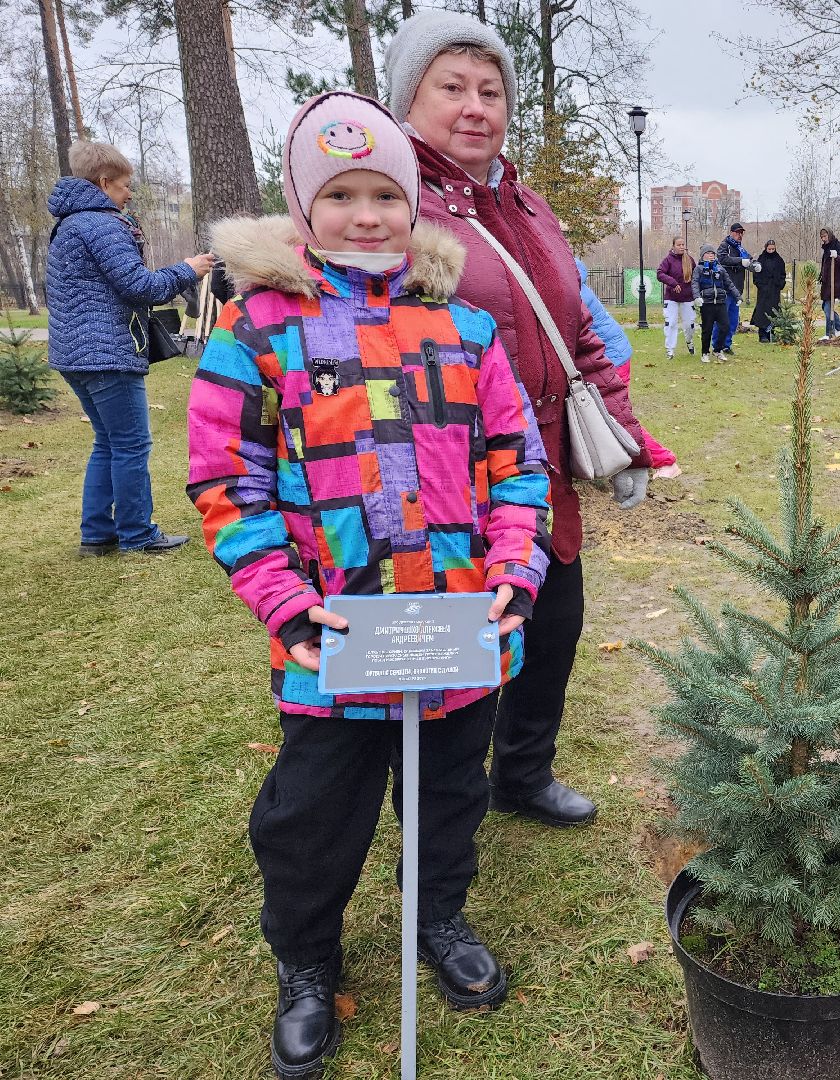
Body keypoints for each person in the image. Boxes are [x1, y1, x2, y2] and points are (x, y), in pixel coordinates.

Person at [186, 90, 550, 1077]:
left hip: (457, 633)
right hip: (331, 644)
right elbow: (228, 483)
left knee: (447, 798)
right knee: (311, 820)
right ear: (304, 208)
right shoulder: (258, 330)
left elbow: (518, 467)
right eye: (339, 194)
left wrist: (517, 570)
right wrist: (284, 602)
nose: (365, 215)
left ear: (411, 203)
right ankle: (306, 960)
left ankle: (438, 917)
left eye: (384, 193)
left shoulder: (465, 330)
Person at [385, 11, 654, 830]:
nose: (475, 107)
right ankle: (441, 815)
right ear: (407, 101)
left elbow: (579, 333)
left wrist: (621, 431)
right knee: (464, 651)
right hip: (449, 486)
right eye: (452, 87)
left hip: (544, 477)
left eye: (490, 90)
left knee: (555, 628)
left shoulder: (528, 206)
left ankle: (524, 774)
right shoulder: (391, 206)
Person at [45, 140, 214, 556]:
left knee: (107, 441)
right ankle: (138, 535)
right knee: (131, 444)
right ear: (103, 183)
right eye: (124, 186)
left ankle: (98, 534)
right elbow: (140, 286)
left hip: (74, 354)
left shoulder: (68, 224)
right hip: (107, 352)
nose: (129, 194)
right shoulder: (102, 224)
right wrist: (187, 270)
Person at [576, 258, 680, 478]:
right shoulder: (570, 278)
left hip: (608, 358)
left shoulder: (569, 290)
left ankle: (666, 462)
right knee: (602, 415)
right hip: (607, 354)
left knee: (617, 417)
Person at [693, 243, 739, 361]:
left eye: (712, 253)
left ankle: (718, 350)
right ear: (703, 255)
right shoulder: (699, 269)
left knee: (725, 326)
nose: (710, 255)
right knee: (707, 329)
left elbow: (729, 284)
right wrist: (697, 297)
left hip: (720, 302)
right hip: (707, 303)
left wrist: (737, 297)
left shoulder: (720, 269)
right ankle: (705, 353)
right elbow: (695, 284)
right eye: (708, 253)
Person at [656, 235, 695, 358]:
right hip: (671, 298)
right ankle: (670, 350)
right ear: (673, 246)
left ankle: (689, 341)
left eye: (683, 244)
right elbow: (660, 273)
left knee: (689, 324)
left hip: (688, 297)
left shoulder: (689, 260)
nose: (682, 247)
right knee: (671, 323)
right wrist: (673, 283)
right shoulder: (668, 260)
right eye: (679, 245)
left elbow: (696, 276)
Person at [715, 222, 750, 354]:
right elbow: (722, 259)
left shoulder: (741, 249)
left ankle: (726, 345)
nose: (740, 235)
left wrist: (754, 264)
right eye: (737, 232)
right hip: (725, 288)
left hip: (737, 289)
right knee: (722, 320)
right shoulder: (725, 246)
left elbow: (749, 259)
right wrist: (740, 261)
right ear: (731, 232)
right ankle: (717, 345)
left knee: (733, 321)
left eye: (741, 233)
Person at [750, 239, 786, 342]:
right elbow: (756, 275)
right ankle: (762, 335)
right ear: (766, 248)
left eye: (773, 249)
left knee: (773, 311)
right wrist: (761, 286)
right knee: (762, 312)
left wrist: (779, 284)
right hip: (763, 291)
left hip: (774, 290)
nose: (771, 251)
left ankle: (772, 333)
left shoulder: (779, 260)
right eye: (769, 249)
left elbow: (782, 274)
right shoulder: (761, 260)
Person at [818, 227, 840, 339]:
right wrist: (820, 276)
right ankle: (838, 327)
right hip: (827, 283)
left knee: (828, 308)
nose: (823, 239)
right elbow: (825, 265)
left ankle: (832, 332)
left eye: (825, 236)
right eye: (822, 237)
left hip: (836, 283)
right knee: (826, 307)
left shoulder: (838, 246)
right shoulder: (827, 249)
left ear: (830, 235)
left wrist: (837, 256)